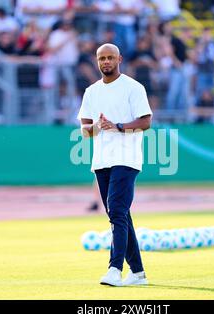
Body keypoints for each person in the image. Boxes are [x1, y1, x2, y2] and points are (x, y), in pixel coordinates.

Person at [77, 43, 152, 287]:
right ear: (96, 61)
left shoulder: (133, 87)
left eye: (110, 58)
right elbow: (86, 130)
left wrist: (119, 126)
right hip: (102, 159)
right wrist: (98, 127)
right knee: (119, 214)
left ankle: (114, 268)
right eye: (102, 58)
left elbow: (146, 121)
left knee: (116, 211)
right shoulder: (91, 92)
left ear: (119, 59)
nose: (106, 62)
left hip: (127, 157)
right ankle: (138, 273)